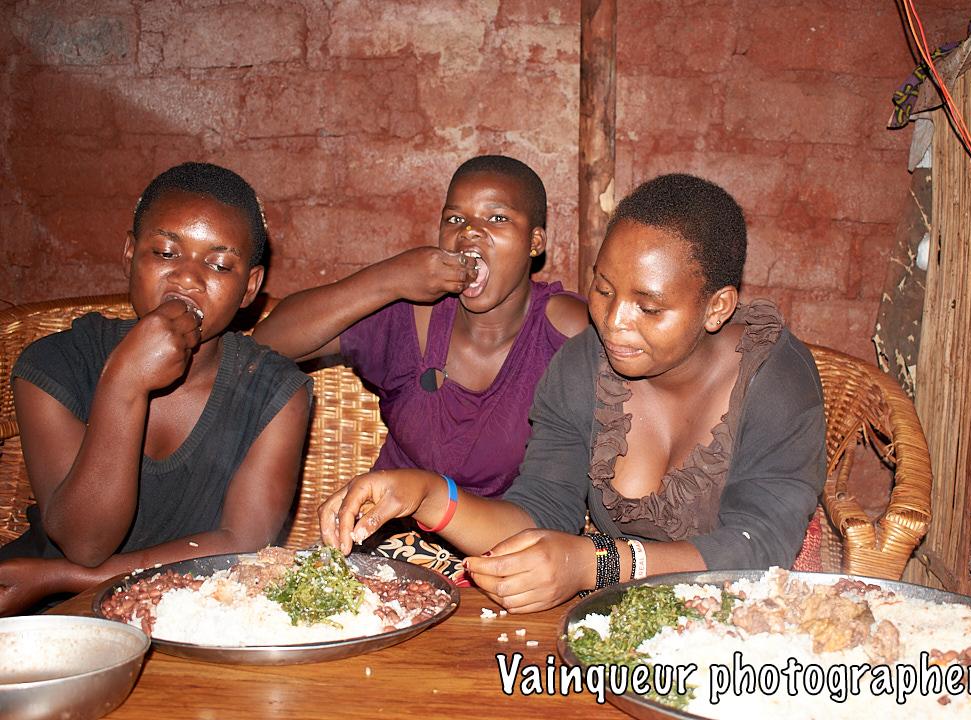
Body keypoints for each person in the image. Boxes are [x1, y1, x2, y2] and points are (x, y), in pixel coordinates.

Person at [319, 173, 826, 613]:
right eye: (603, 290)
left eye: (649, 308)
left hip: (749, 630)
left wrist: (596, 564)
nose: (614, 322)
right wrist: (429, 495)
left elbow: (759, 546)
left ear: (717, 308)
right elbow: (542, 510)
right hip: (619, 626)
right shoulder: (583, 366)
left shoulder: (774, 378)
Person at [252, 155, 588, 576]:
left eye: (497, 218)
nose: (470, 232)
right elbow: (267, 343)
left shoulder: (565, 333)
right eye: (455, 219)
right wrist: (390, 278)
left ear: (535, 242)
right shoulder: (413, 314)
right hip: (382, 553)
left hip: (507, 562)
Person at [0, 162, 312, 615]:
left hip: (190, 614)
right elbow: (85, 541)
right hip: (44, 616)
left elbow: (241, 548)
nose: (187, 278)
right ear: (130, 254)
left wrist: (63, 578)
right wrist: (123, 381)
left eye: (219, 264)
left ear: (250, 287)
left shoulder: (273, 391)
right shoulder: (55, 364)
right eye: (166, 253)